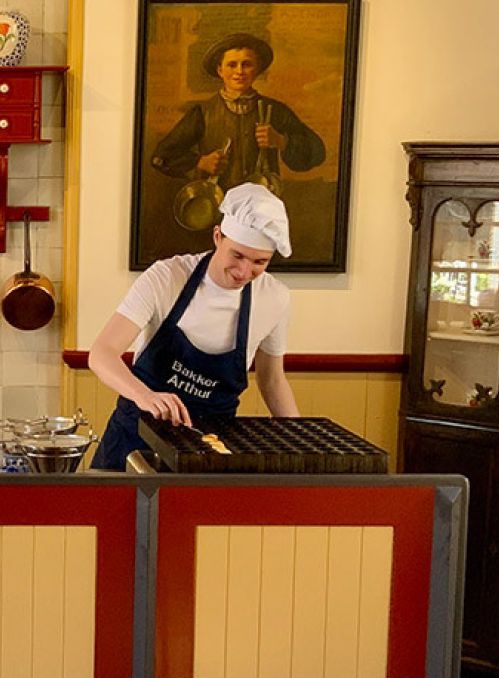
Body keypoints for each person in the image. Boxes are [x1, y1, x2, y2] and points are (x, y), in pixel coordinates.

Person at [88, 183, 301, 470]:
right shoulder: (167, 278)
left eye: (259, 262)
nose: (243, 272)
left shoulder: (274, 298)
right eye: (236, 255)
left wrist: (299, 443)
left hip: (210, 448)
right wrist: (145, 396)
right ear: (217, 236)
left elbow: (272, 380)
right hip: (135, 441)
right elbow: (102, 353)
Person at [149, 33, 325, 195]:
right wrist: (200, 162)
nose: (239, 71)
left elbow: (317, 152)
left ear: (257, 70)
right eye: (232, 65)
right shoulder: (203, 112)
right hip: (216, 208)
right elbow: (161, 157)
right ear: (220, 71)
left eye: (247, 64)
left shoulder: (276, 111)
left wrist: (281, 141)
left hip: (261, 208)